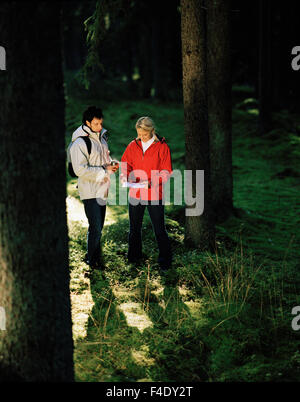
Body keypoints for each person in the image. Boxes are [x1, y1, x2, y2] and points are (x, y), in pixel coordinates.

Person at [68, 106, 119, 272]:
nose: (99, 127)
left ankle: (95, 257)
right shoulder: (80, 143)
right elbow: (79, 170)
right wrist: (104, 171)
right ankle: (92, 261)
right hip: (89, 190)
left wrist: (110, 164)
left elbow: (102, 159)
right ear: (87, 122)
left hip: (102, 188)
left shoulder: (102, 138)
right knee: (95, 226)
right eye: (96, 124)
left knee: (99, 227)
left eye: (100, 123)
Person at [120, 116, 173, 272]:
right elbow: (125, 164)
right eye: (139, 134)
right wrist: (124, 176)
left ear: (151, 131)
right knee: (134, 228)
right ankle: (134, 258)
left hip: (154, 194)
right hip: (135, 193)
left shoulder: (162, 147)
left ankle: (165, 262)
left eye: (144, 134)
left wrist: (152, 182)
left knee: (159, 229)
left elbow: (166, 171)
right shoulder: (132, 145)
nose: (141, 137)